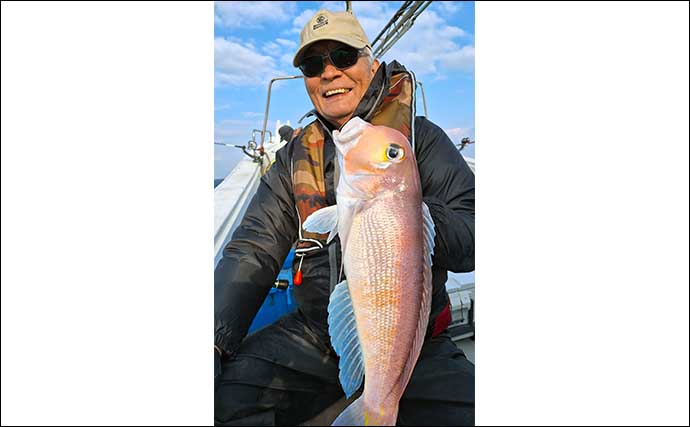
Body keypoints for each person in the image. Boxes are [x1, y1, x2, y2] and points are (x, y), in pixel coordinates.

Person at [215, 9, 475, 426]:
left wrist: (404, 217)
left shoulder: (418, 140)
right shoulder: (292, 159)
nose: (330, 72)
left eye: (343, 56)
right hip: (314, 334)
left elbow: (474, 228)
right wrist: (213, 340)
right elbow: (254, 248)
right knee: (225, 403)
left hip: (412, 338)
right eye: (313, 65)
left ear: (370, 63)